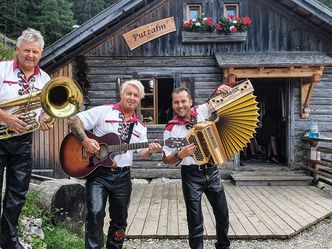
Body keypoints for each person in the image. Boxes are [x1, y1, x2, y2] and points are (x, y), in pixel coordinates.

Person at [68, 79, 161, 249]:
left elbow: (142, 153)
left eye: (136, 95)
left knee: (120, 220)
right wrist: (86, 141)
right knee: (95, 214)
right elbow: (74, 120)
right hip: (98, 174)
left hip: (123, 176)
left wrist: (151, 150)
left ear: (140, 99)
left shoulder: (140, 126)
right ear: (121, 94)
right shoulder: (104, 111)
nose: (132, 98)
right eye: (129, 93)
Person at [0, 28, 53, 248]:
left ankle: (8, 239)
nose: (31, 55)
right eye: (27, 50)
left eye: (35, 52)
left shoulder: (45, 78)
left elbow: (46, 110)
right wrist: (6, 118)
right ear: (18, 49)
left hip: (23, 141)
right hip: (0, 138)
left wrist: (46, 119)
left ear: (41, 53)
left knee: (18, 193)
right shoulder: (2, 69)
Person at [163, 84, 232, 249]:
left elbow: (216, 101)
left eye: (183, 101)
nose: (180, 106)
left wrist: (218, 89)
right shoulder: (171, 128)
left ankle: (223, 246)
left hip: (212, 171)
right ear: (172, 104)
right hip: (191, 175)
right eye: (176, 102)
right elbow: (166, 159)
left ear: (190, 101)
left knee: (222, 214)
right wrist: (180, 154)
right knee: (195, 219)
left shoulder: (201, 111)